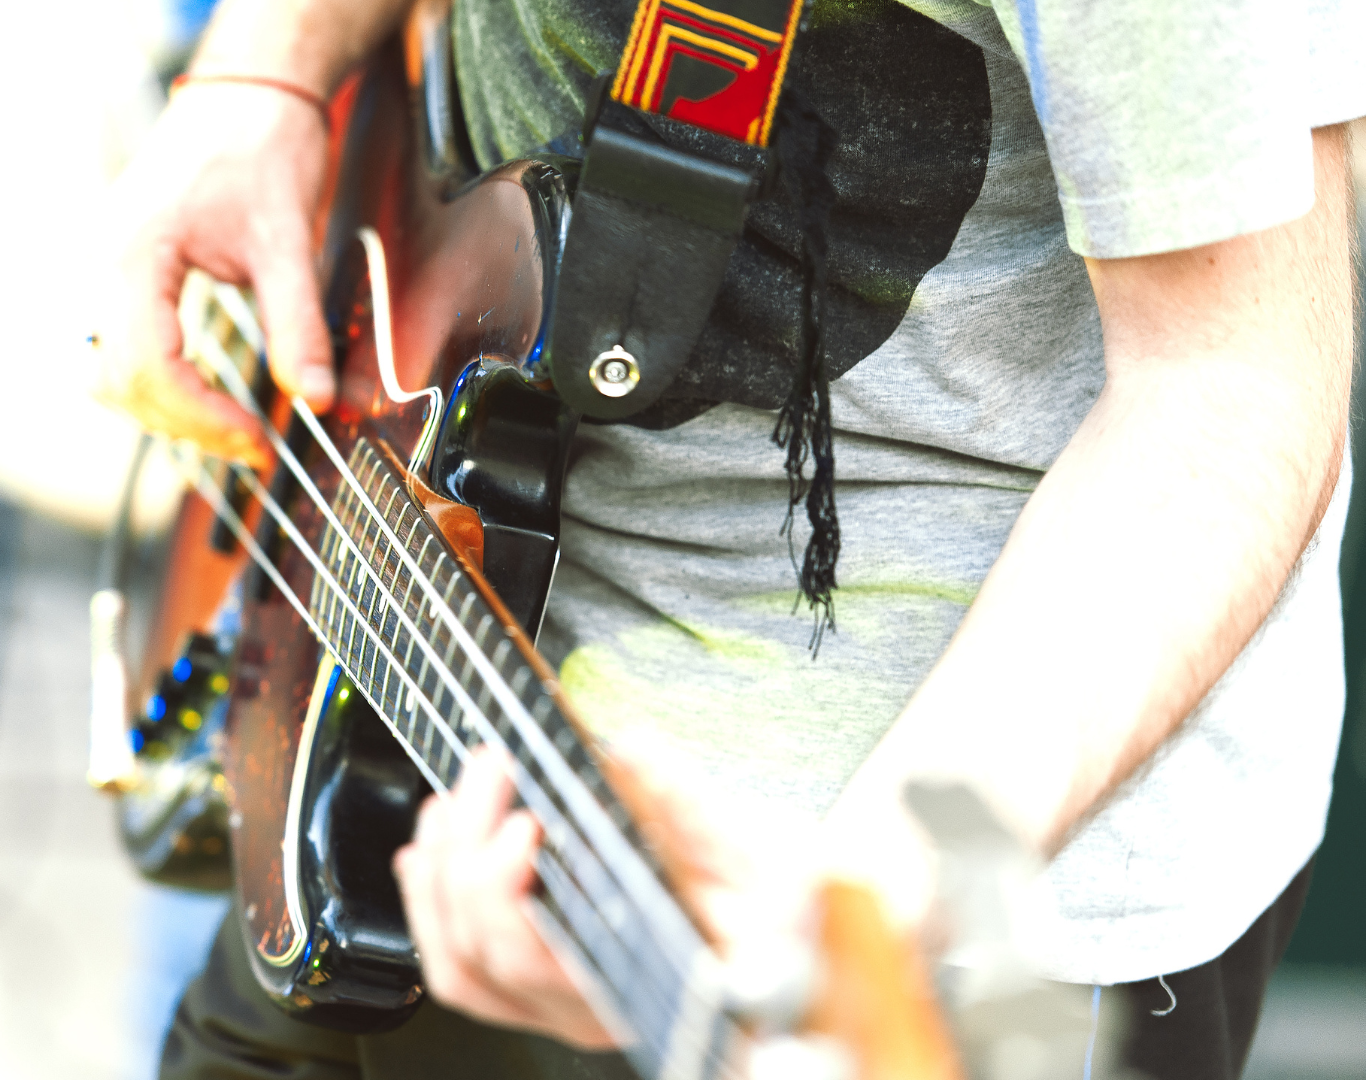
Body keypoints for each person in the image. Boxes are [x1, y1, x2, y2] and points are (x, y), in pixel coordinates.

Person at [89, 1, 1364, 1078]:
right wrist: (269, 69)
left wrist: (851, 909)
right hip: (397, 711)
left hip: (915, 923)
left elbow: (1231, 388)